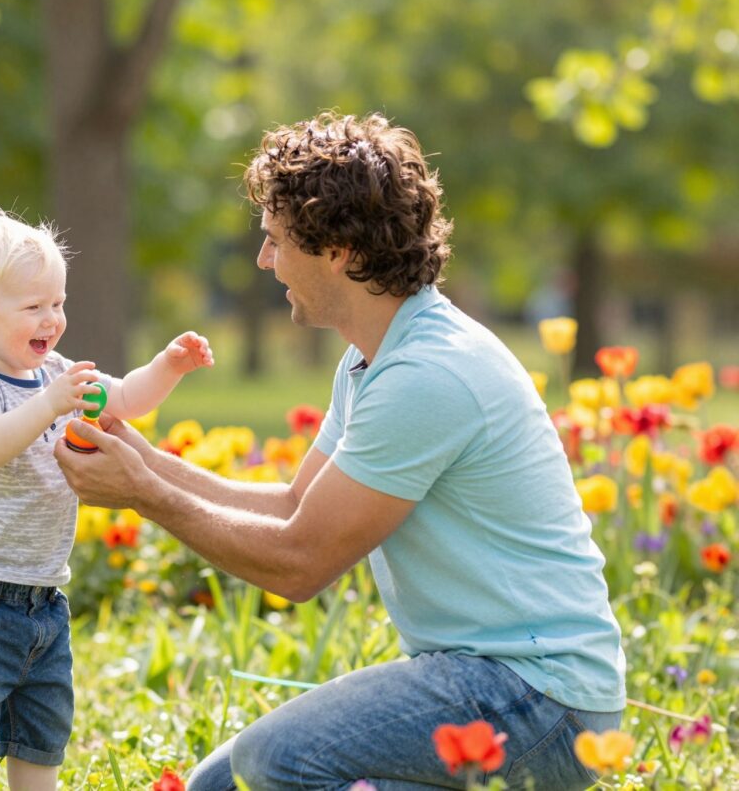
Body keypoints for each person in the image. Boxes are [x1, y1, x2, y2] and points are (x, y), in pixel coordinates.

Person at [55, 112, 626, 790]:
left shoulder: (428, 375)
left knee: (272, 763)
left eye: (275, 242)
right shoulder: (375, 356)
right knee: (220, 785)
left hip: (538, 700)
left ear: (339, 251)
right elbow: (298, 505)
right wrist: (144, 460)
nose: (265, 261)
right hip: (486, 681)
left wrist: (144, 495)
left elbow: (300, 563)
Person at [0, 210, 213, 790]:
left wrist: (168, 366)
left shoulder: (55, 372)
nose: (52, 317)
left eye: (58, 301)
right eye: (33, 307)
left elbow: (125, 397)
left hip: (43, 602)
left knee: (43, 738)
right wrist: (49, 405)